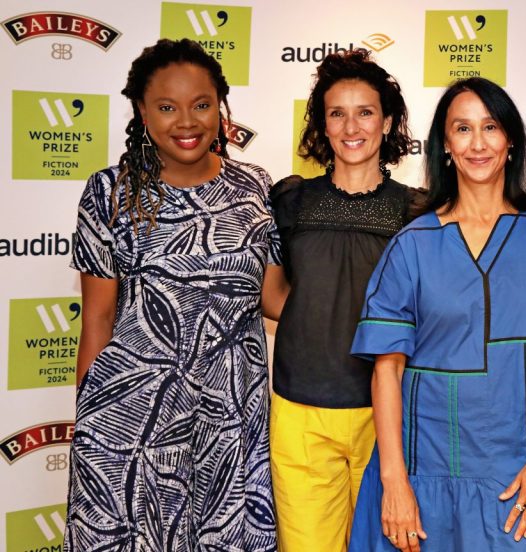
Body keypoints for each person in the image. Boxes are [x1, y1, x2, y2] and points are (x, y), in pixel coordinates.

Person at [347, 77, 526, 552]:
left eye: (490, 127)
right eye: (462, 129)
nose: (478, 143)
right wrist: (395, 482)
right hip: (426, 479)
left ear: (510, 140)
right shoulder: (412, 245)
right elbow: (387, 371)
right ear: (445, 145)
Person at [65, 38, 282, 550]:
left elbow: (273, 298)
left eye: (201, 105)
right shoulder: (110, 193)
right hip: (132, 419)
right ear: (142, 111)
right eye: (166, 107)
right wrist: (90, 428)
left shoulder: (255, 187)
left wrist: (363, 295)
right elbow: (96, 320)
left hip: (230, 417)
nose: (187, 121)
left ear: (221, 109)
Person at [267, 49, 425, 552]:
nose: (351, 126)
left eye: (365, 112)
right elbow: (273, 297)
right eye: (337, 113)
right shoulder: (290, 199)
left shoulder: (418, 210)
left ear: (388, 121)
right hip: (300, 412)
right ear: (322, 124)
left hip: (391, 416)